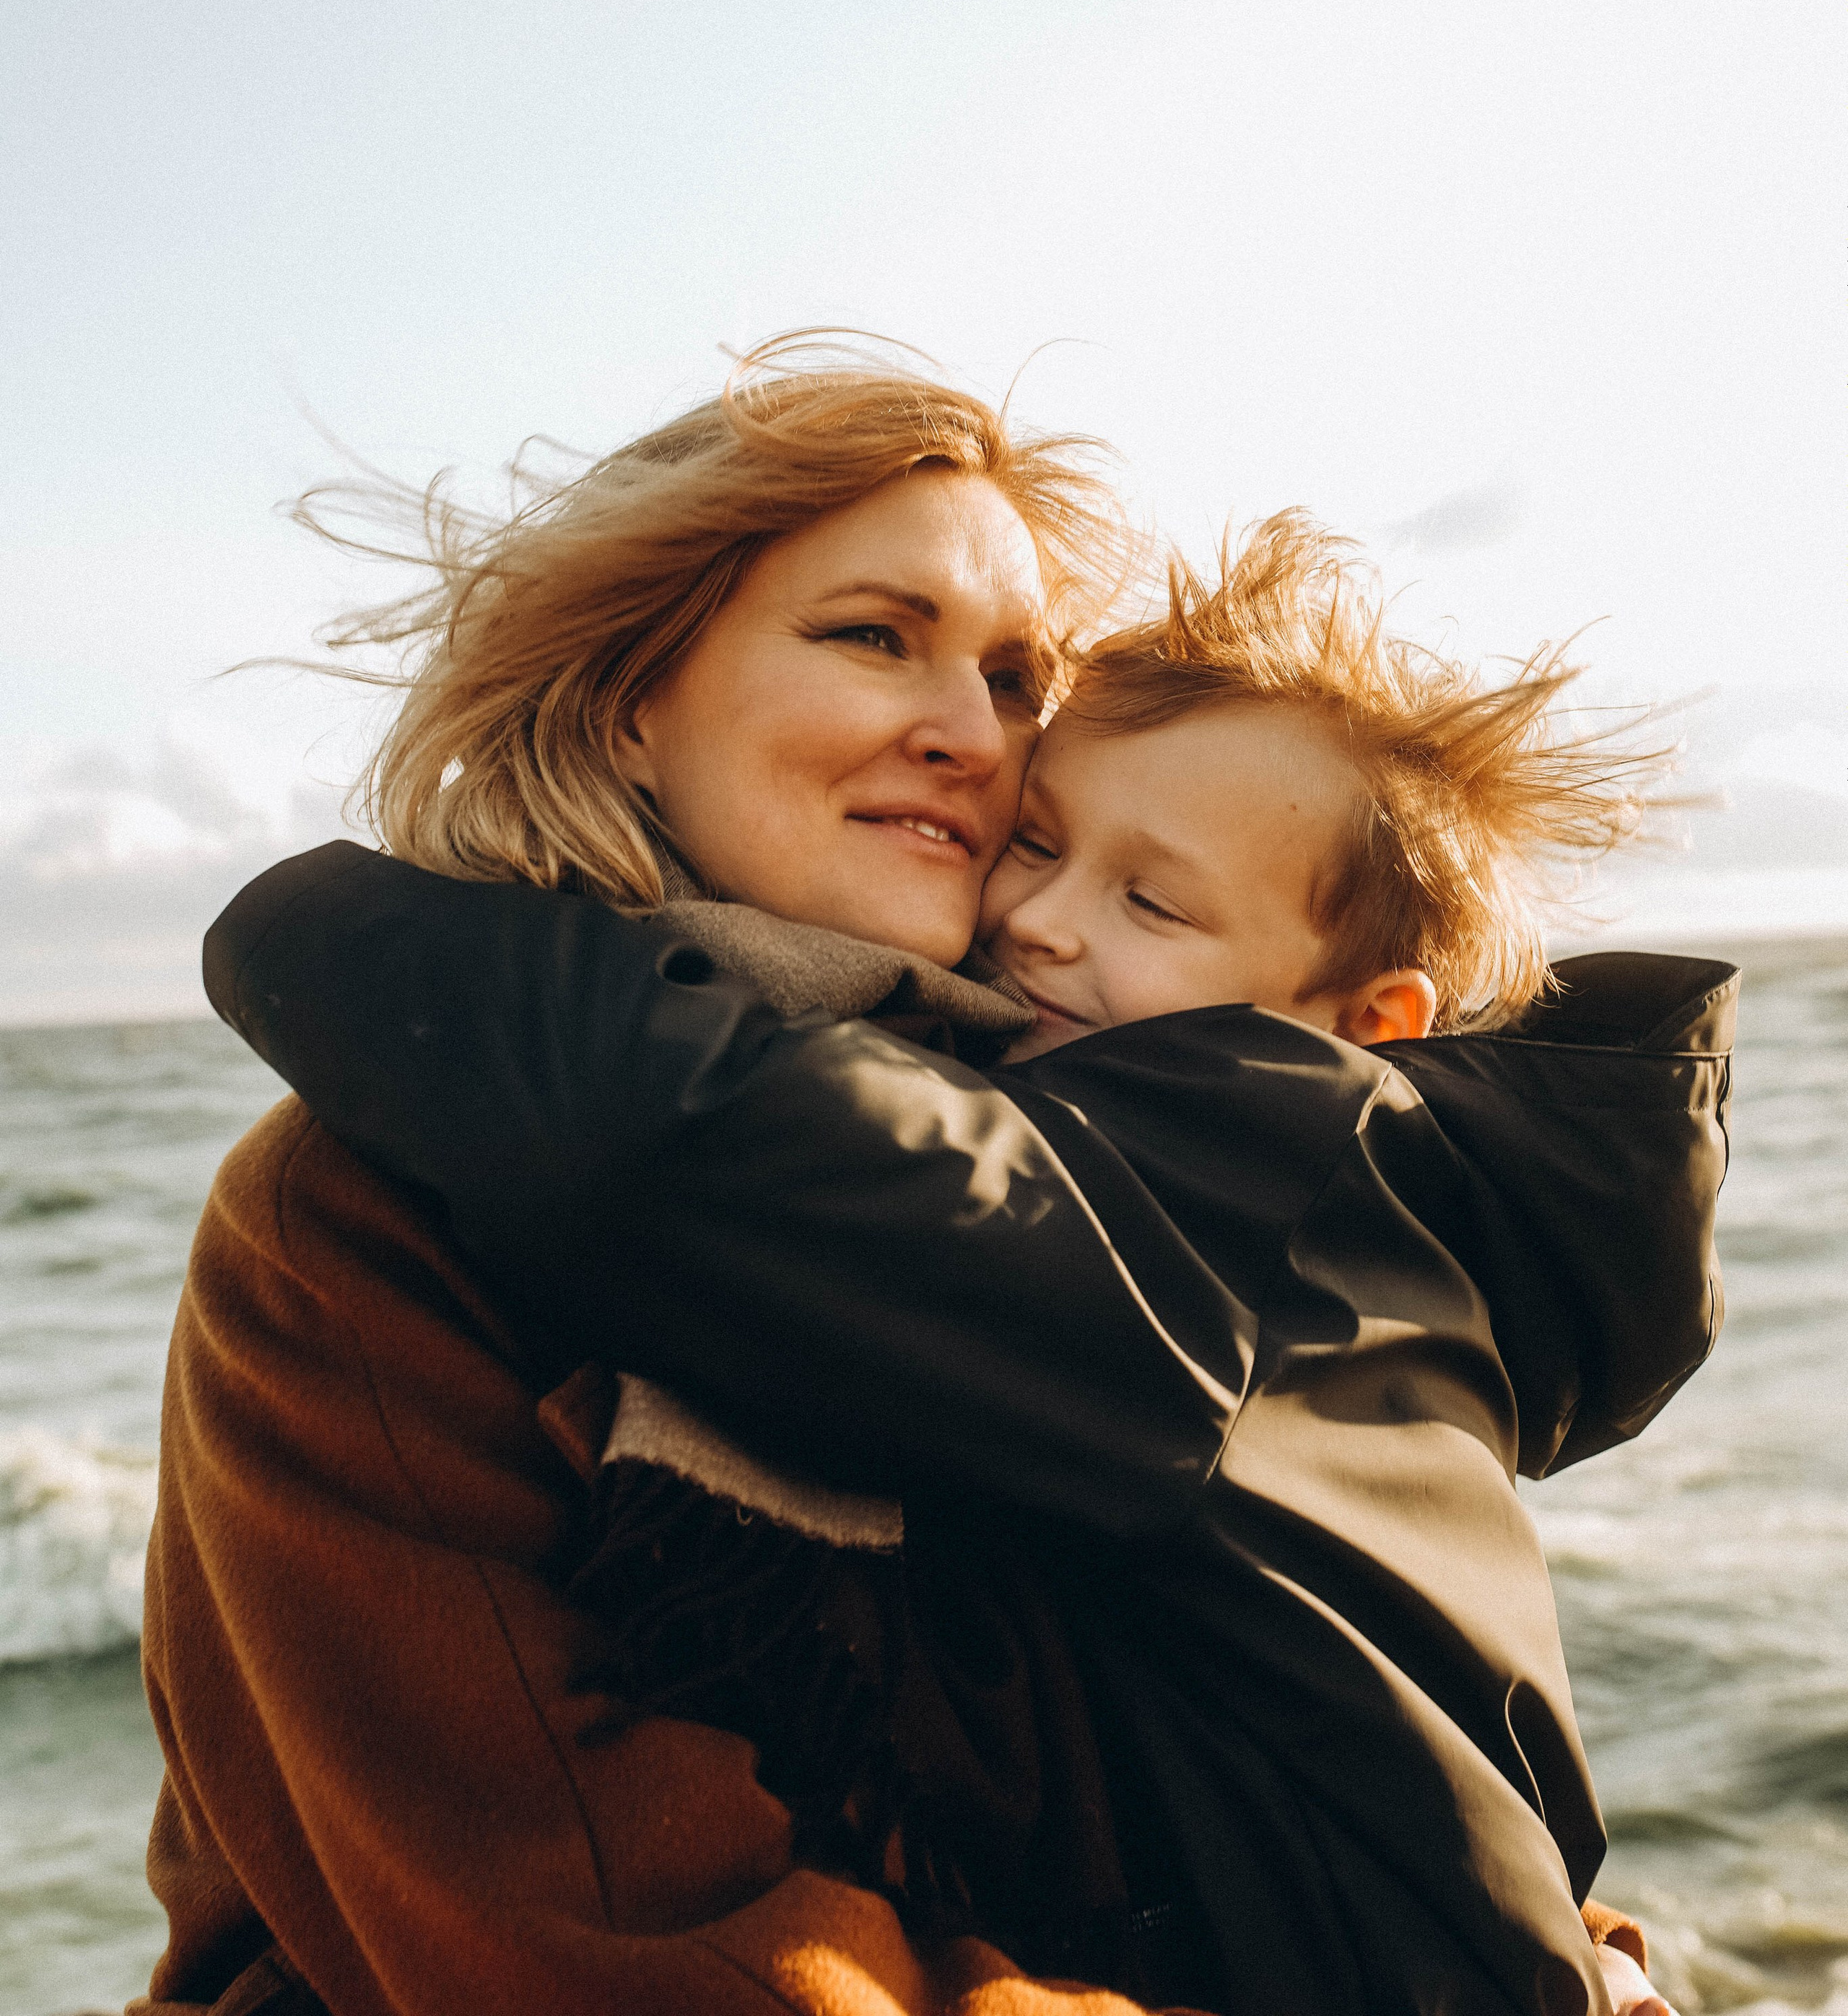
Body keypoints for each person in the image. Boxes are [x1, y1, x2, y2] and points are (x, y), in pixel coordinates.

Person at [171, 357, 1711, 2015]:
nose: (967, 734)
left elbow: (1323, 1676)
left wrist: (1567, 1958)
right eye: (870, 636)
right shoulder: (366, 1208)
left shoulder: (1073, 1142)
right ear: (630, 694)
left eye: (1012, 674)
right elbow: (624, 1960)